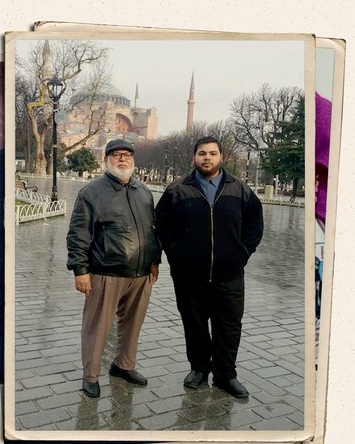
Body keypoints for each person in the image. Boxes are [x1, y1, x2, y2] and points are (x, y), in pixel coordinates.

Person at [155, 136, 264, 398]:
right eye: (202, 153)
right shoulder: (177, 190)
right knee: (195, 324)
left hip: (229, 274)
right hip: (190, 275)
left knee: (228, 325)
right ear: (194, 157)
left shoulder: (239, 189)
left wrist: (243, 253)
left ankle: (226, 375)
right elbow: (162, 224)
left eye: (212, 154)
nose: (207, 158)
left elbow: (255, 224)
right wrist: (176, 253)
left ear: (221, 158)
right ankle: (199, 369)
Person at [66, 139, 161, 398]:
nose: (122, 159)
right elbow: (78, 234)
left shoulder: (143, 191)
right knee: (97, 329)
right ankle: (91, 376)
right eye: (117, 155)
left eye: (127, 155)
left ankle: (123, 365)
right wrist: (80, 270)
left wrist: (154, 260)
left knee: (132, 325)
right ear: (107, 160)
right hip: (105, 272)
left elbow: (152, 231)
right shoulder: (92, 192)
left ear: (133, 160)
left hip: (140, 274)